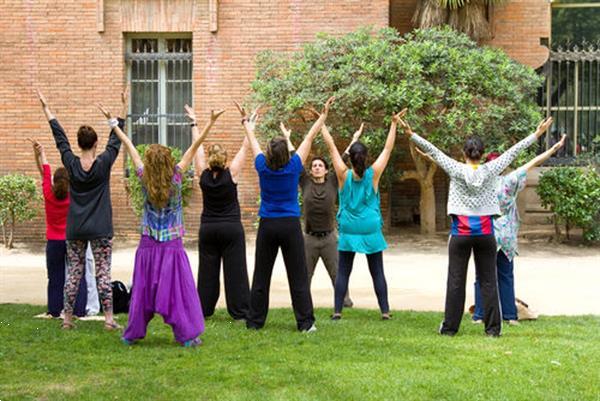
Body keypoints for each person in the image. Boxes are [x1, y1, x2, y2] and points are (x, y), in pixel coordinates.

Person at [398, 114, 554, 336]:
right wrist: (537, 134)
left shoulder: (456, 168)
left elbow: (434, 151)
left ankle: (450, 328)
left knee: (455, 282)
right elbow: (513, 152)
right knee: (489, 281)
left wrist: (411, 134)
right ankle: (493, 329)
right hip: (485, 234)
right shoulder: (491, 169)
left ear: (464, 153)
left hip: (460, 235)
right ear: (482, 154)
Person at [98, 102, 218, 347]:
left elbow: (129, 146)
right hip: (171, 245)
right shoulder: (176, 178)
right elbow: (195, 147)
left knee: (143, 292)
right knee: (176, 293)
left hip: (148, 244)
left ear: (150, 163)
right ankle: (186, 336)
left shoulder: (144, 177)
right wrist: (208, 123)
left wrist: (113, 123)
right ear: (167, 161)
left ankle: (132, 335)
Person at [235, 97, 334, 332]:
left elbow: (252, 140)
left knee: (261, 275)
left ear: (269, 153)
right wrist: (322, 116)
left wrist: (246, 121)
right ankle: (305, 323)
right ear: (286, 154)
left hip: (268, 225)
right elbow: (309, 138)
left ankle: (255, 322)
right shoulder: (294, 166)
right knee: (298, 275)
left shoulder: (262, 165)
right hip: (289, 225)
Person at [37, 89, 124, 331]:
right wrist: (121, 111)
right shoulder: (104, 163)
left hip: (75, 227)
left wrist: (47, 109)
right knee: (103, 273)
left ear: (79, 144)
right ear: (96, 143)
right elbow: (117, 139)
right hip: (100, 227)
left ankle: (66, 319)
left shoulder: (71, 164)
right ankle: (108, 319)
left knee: (73, 274)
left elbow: (59, 138)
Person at [472, 134, 566, 325]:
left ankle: (480, 314)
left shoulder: (479, 181)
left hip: (485, 232)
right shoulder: (510, 180)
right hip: (506, 236)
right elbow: (533, 162)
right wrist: (553, 149)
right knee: (506, 275)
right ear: (503, 167)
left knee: (482, 275)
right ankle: (509, 315)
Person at [322, 111, 405, 320]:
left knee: (343, 272)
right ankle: (385, 311)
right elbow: (388, 148)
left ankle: (337, 311)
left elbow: (331, 146)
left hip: (349, 227)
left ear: (350, 157)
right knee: (377, 271)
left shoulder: (342, 174)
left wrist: (322, 122)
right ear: (366, 157)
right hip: (370, 227)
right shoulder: (373, 174)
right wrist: (393, 124)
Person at [283, 121, 359, 309]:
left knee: (337, 272)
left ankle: (344, 301)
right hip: (309, 238)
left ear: (326, 170)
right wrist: (287, 139)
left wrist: (354, 140)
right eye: (314, 165)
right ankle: (302, 303)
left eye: (320, 165)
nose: (316, 167)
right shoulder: (305, 182)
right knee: (305, 274)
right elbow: (296, 159)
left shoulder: (333, 181)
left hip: (329, 238)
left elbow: (343, 159)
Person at [189, 103, 251, 322]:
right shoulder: (231, 173)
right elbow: (246, 147)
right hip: (231, 228)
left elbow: (196, 148)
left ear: (210, 158)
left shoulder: (202, 175)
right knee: (236, 271)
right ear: (224, 160)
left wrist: (194, 123)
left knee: (207, 271)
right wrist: (247, 123)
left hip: (208, 229)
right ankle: (240, 312)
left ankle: (203, 310)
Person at [29, 139, 88, 319]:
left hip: (53, 241)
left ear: (54, 181)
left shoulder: (48, 193)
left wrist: (41, 153)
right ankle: (78, 309)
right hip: (72, 239)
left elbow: (45, 171)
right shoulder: (74, 196)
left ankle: (54, 310)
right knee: (77, 275)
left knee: (55, 277)